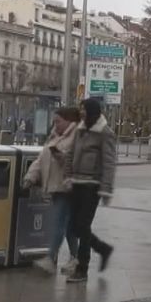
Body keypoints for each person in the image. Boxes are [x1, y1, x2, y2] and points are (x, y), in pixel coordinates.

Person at [64, 98, 117, 283]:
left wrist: (106, 188)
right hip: (76, 182)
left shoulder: (105, 133)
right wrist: (68, 175)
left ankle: (82, 269)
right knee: (74, 226)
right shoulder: (79, 129)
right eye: (81, 109)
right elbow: (71, 153)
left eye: (84, 109)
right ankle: (103, 249)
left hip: (92, 185)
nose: (82, 112)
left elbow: (109, 162)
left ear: (92, 111)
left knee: (82, 226)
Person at [23, 107, 81, 275]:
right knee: (68, 225)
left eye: (58, 121)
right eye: (54, 121)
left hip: (67, 187)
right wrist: (30, 177)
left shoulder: (77, 136)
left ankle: (50, 257)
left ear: (69, 121)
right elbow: (41, 159)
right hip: (55, 187)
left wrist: (63, 158)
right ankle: (75, 258)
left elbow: (77, 162)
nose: (55, 125)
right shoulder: (54, 136)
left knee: (59, 222)